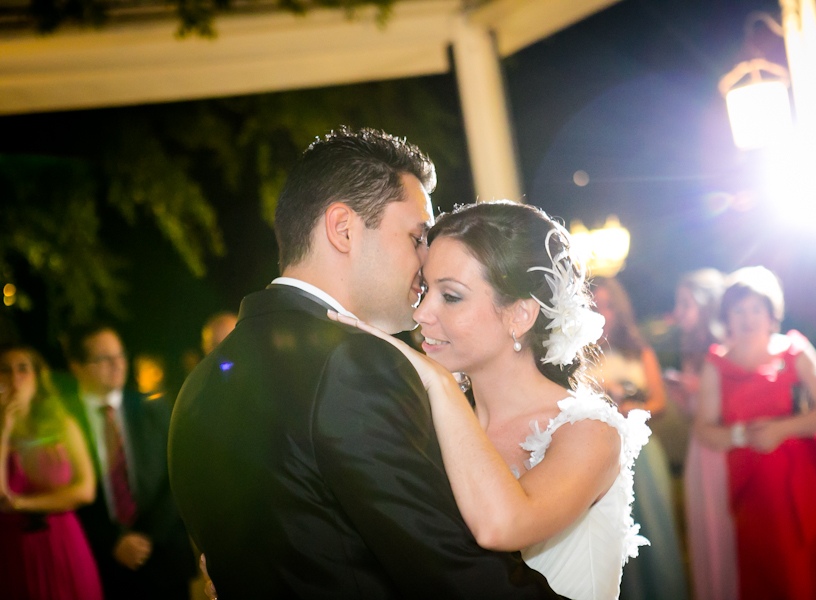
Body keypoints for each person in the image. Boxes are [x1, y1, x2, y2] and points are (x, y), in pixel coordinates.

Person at [168, 126, 566, 599]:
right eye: (417, 237)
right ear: (343, 229)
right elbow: (452, 573)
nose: (426, 260)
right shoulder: (354, 363)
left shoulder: (200, 385)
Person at [333, 200, 651, 599]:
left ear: (519, 315)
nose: (423, 313)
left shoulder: (590, 433)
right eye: (426, 289)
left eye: (450, 296)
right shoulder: (426, 423)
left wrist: (440, 384)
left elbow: (503, 525)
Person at [695, 266, 816, 600]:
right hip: (754, 490)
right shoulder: (716, 364)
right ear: (727, 316)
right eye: (739, 310)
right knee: (774, 570)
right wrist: (742, 436)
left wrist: (782, 429)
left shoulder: (794, 350)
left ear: (771, 314)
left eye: (756, 309)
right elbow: (705, 429)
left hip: (807, 483)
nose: (748, 318)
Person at [61, 323, 194, 600]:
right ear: (77, 366)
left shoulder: (153, 410)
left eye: (120, 355)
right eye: (104, 358)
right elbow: (65, 492)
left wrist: (146, 538)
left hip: (161, 559)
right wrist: (112, 541)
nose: (117, 364)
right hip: (99, 564)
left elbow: (176, 477)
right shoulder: (64, 422)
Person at [589, 277, 689, 600]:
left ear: (619, 309)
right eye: (595, 305)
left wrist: (635, 407)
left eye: (608, 305)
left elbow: (659, 402)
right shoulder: (579, 354)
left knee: (653, 526)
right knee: (611, 532)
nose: (603, 313)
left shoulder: (639, 350)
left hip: (641, 450)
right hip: (599, 453)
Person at [0, 345, 104, 600]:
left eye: (23, 369)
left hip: (61, 543)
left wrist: (21, 504)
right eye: (4, 370)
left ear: (37, 377)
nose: (15, 378)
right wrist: (4, 429)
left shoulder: (62, 424)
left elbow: (86, 490)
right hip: (10, 549)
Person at [666, 269, 736, 600]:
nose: (678, 313)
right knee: (707, 528)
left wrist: (701, 389)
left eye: (685, 304)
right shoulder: (691, 349)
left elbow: (739, 408)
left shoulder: (728, 347)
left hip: (726, 449)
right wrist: (684, 396)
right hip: (700, 450)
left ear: (707, 305)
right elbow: (694, 414)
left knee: (729, 526)